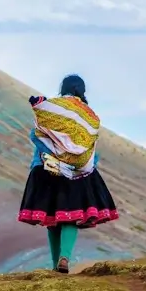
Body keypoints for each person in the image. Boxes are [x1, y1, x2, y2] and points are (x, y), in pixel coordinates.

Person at [17, 74, 119, 273]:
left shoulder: (52, 109)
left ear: (63, 88)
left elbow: (34, 135)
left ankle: (56, 266)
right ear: (81, 90)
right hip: (76, 173)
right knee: (71, 217)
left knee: (52, 219)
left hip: (45, 169)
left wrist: (53, 150)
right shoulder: (88, 116)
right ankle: (65, 258)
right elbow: (89, 149)